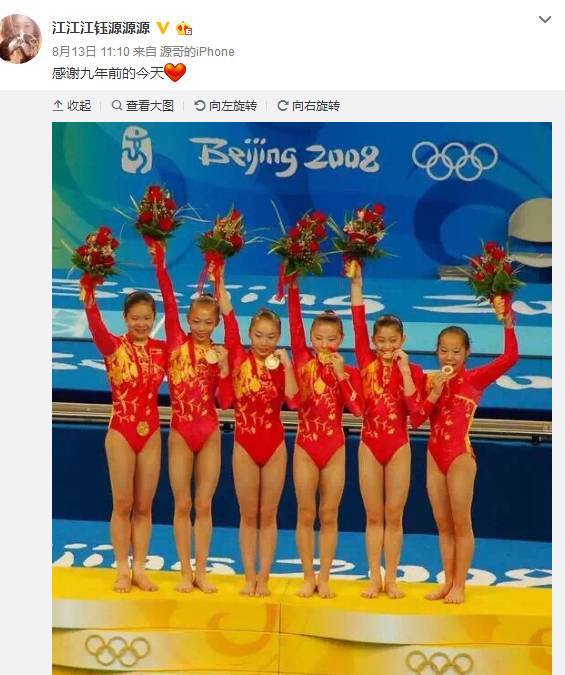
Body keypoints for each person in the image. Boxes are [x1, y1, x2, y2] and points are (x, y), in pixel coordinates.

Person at [410, 296, 518, 603]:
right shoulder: (429, 381)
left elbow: (510, 358)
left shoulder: (475, 379)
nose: (450, 356)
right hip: (434, 455)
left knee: (460, 522)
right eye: (444, 350)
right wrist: (433, 392)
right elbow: (416, 420)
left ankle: (460, 584)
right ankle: (447, 581)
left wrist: (507, 322)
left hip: (459, 455)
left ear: (467, 352)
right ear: (436, 351)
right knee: (443, 524)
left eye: (456, 351)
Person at [147, 240, 232, 593]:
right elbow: (168, 298)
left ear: (216, 323)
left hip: (209, 430)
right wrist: (160, 261)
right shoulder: (175, 343)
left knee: (204, 504)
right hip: (181, 430)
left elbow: (225, 401)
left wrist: (224, 369)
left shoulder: (219, 352)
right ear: (187, 320)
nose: (201, 327)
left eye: (208, 322)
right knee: (182, 503)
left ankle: (202, 571)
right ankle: (185, 570)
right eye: (195, 321)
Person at [80, 275, 167, 592]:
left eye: (147, 318)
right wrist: (89, 290)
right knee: (123, 502)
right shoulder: (113, 346)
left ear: (154, 319)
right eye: (135, 318)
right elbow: (95, 326)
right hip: (121, 431)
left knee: (144, 505)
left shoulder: (163, 350)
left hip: (151, 433)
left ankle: (139, 568)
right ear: (125, 319)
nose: (141, 323)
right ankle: (121, 569)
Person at [217, 269, 299, 597]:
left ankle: (264, 576)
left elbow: (293, 402)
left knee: (269, 514)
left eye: (271, 337)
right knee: (248, 514)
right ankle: (248, 576)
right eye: (259, 335)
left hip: (274, 444)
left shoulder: (281, 365)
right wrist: (219, 277)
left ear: (278, 338)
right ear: (250, 333)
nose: (264, 342)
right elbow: (228, 316)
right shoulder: (239, 357)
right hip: (245, 444)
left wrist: (288, 366)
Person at [349, 266, 425, 599]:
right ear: (373, 341)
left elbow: (416, 412)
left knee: (394, 515)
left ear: (403, 341)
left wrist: (405, 371)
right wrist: (357, 283)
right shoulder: (366, 362)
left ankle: (391, 578)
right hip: (369, 444)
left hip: (398, 446)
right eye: (380, 340)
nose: (386, 346)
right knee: (373, 516)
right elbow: (357, 319)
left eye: (393, 341)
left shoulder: (415, 370)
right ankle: (373, 578)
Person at [287, 278, 363, 599]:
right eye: (318, 338)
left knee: (329, 515)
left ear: (341, 339)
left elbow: (357, 409)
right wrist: (292, 279)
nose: (324, 344)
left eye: (331, 339)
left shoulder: (349, 370)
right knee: (306, 514)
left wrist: (342, 376)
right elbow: (293, 321)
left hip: (334, 447)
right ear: (310, 337)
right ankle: (308, 577)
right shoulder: (302, 361)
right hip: (306, 445)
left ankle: (326, 577)